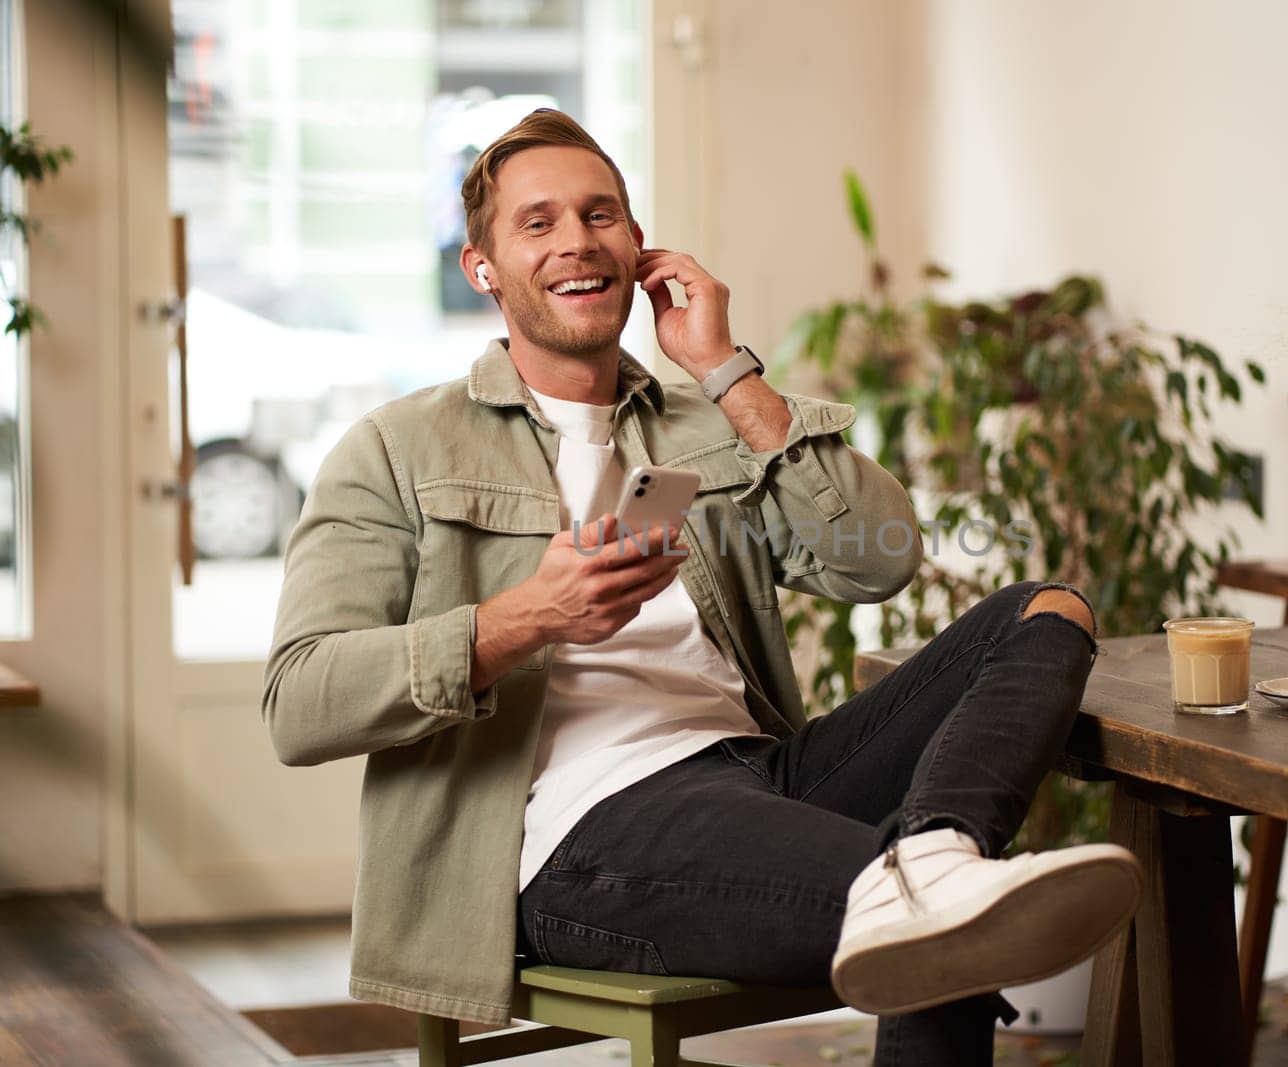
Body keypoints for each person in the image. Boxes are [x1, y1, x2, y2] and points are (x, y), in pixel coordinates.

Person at [263, 108, 1141, 1065]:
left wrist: (726, 372)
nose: (577, 242)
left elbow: (876, 556)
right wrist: (526, 618)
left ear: (639, 246)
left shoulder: (708, 421)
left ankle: (932, 850)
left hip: (760, 774)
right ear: (484, 268)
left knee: (1042, 612)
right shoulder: (398, 449)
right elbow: (300, 703)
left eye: (601, 215)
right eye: (539, 222)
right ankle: (927, 878)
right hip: (573, 837)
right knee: (949, 931)